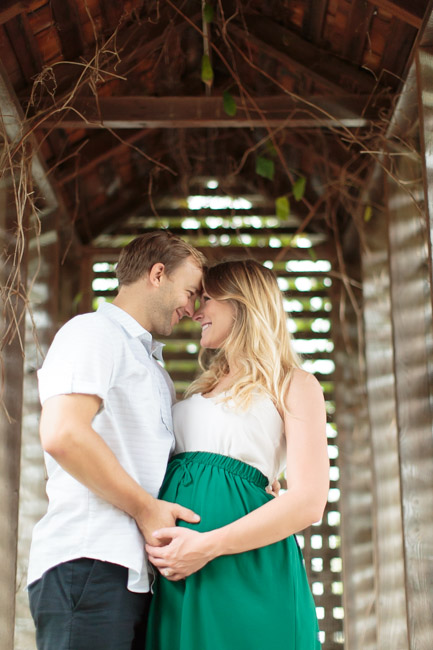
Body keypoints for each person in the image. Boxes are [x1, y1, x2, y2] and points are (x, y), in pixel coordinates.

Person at [27, 231, 205, 650]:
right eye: (190, 291)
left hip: (129, 573)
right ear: (158, 274)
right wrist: (146, 510)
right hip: (88, 562)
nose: (192, 308)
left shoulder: (149, 364)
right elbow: (63, 433)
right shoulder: (93, 332)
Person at [145, 258, 329, 650]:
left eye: (207, 298)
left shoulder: (295, 384)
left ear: (241, 303)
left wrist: (206, 545)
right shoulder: (198, 390)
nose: (195, 312)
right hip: (179, 572)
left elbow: (309, 501)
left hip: (243, 568)